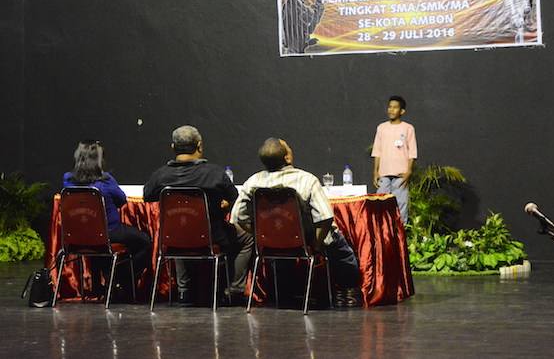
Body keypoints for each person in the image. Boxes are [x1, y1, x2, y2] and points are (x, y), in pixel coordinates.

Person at [231, 137, 361, 307]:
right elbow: (326, 217)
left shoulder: (252, 182)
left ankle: (286, 295)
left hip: (270, 242)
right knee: (340, 248)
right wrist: (316, 243)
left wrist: (261, 235)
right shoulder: (307, 180)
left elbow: (238, 217)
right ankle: (347, 292)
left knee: (283, 251)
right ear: (287, 158)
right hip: (304, 239)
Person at [143, 125, 253, 306]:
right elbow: (233, 196)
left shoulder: (160, 175)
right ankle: (234, 290)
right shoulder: (215, 174)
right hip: (211, 237)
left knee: (180, 231)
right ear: (200, 146)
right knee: (247, 238)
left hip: (173, 237)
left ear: (173, 148)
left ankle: (184, 291)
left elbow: (148, 195)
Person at [63, 140, 151, 298]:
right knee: (145, 242)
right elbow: (122, 200)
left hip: (78, 235)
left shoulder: (68, 179)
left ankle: (102, 284)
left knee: (98, 242)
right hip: (110, 231)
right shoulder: (106, 180)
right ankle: (122, 275)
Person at [371, 95, 418, 224]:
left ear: (402, 111)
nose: (391, 110)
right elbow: (377, 150)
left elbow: (412, 152)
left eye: (395, 107)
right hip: (384, 173)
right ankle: (382, 231)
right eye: (390, 107)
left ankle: (401, 234)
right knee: (381, 203)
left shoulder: (408, 128)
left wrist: (409, 171)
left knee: (401, 204)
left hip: (400, 173)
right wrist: (375, 171)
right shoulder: (381, 128)